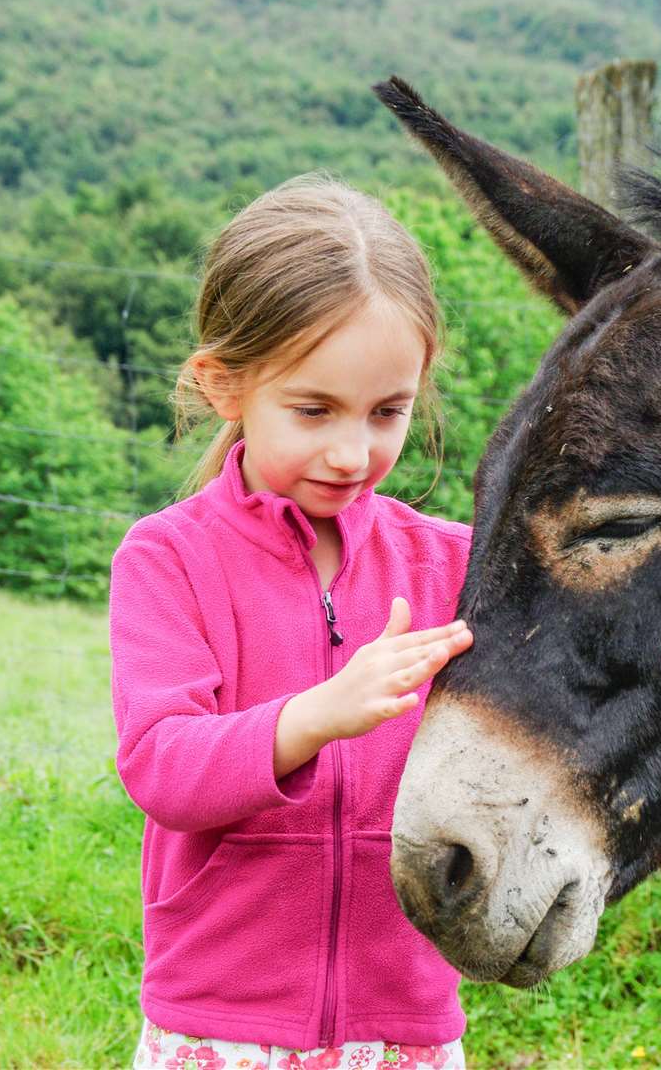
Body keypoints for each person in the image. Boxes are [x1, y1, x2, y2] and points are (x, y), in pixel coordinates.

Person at [110, 175, 475, 1070]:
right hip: (224, 1023)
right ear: (222, 384)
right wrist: (319, 714)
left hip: (406, 1023)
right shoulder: (168, 559)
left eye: (388, 412)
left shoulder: (453, 563)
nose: (353, 452)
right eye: (313, 410)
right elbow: (161, 764)